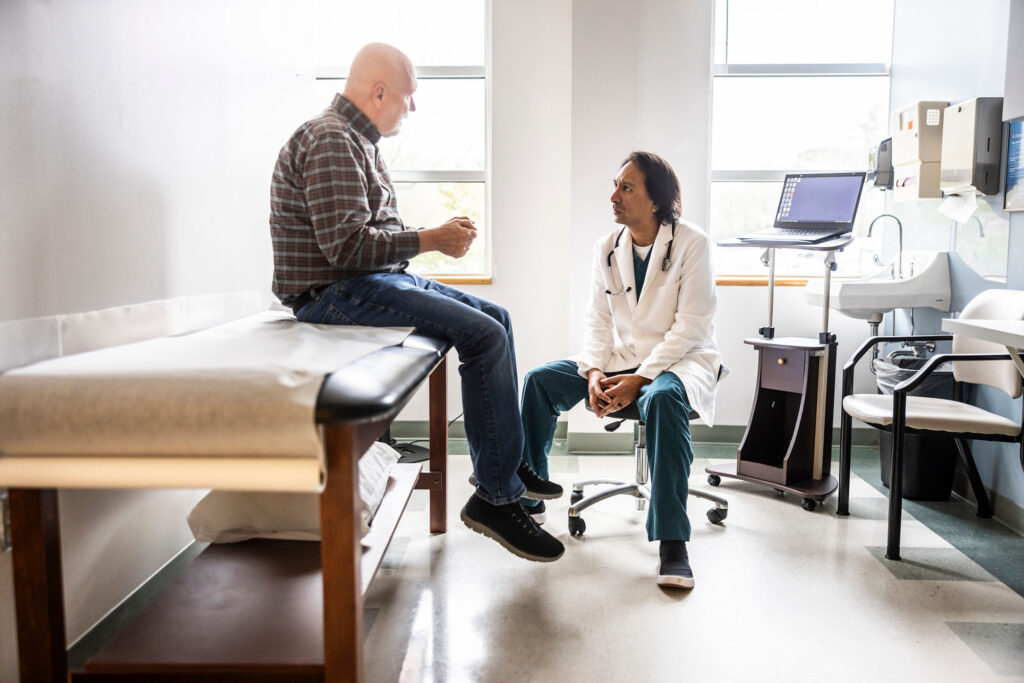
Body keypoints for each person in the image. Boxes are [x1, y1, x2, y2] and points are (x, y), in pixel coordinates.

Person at [269, 43, 564, 562]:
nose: (413, 108)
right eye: (409, 97)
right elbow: (346, 248)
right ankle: (495, 497)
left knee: (497, 317)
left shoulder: (359, 143)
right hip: (331, 294)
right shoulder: (332, 139)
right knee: (486, 335)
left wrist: (425, 238)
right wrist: (431, 238)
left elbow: (368, 235)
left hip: (371, 280)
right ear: (379, 92)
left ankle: (502, 462)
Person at [519, 151, 723, 587]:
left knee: (664, 399)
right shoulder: (608, 247)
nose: (613, 196)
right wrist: (593, 372)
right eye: (615, 185)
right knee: (539, 383)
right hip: (619, 358)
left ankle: (672, 543)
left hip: (678, 361)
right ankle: (531, 503)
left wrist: (640, 379)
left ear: (655, 201)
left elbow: (691, 326)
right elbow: (597, 318)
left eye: (626, 187)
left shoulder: (692, 244)